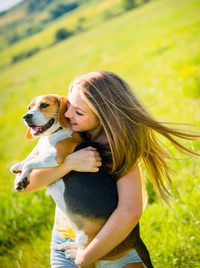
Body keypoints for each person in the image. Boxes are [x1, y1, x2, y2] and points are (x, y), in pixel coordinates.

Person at [14, 70, 199, 268]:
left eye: (78, 112)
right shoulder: (56, 133)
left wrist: (87, 256)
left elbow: (130, 211)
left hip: (113, 245)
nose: (67, 114)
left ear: (102, 117)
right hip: (64, 243)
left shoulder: (120, 149)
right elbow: (23, 185)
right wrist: (69, 164)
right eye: (68, 106)